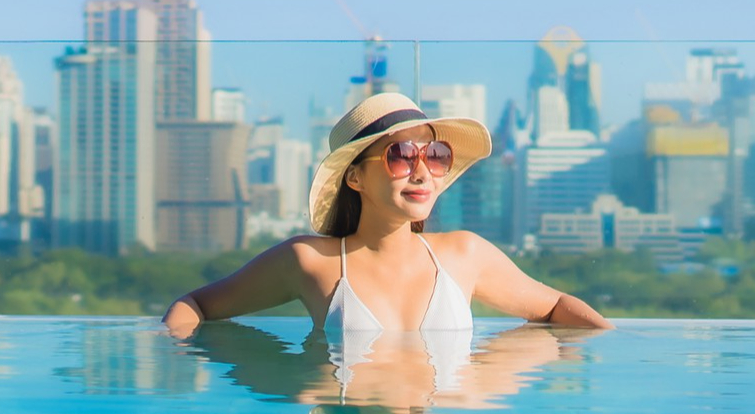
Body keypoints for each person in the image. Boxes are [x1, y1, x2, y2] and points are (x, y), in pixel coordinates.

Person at [163, 92, 610, 339]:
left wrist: (615, 343)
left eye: (434, 155)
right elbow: (197, 305)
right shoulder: (310, 262)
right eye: (400, 155)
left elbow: (554, 306)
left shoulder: (465, 254)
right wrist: (165, 350)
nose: (422, 172)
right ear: (354, 177)